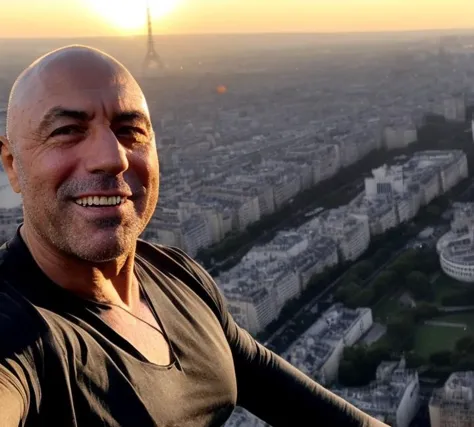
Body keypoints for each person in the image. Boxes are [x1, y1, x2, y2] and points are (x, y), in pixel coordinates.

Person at [0, 45, 388, 427]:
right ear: (12, 165)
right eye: (67, 131)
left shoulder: (178, 275)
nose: (112, 157)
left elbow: (283, 390)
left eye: (130, 130)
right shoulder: (16, 333)